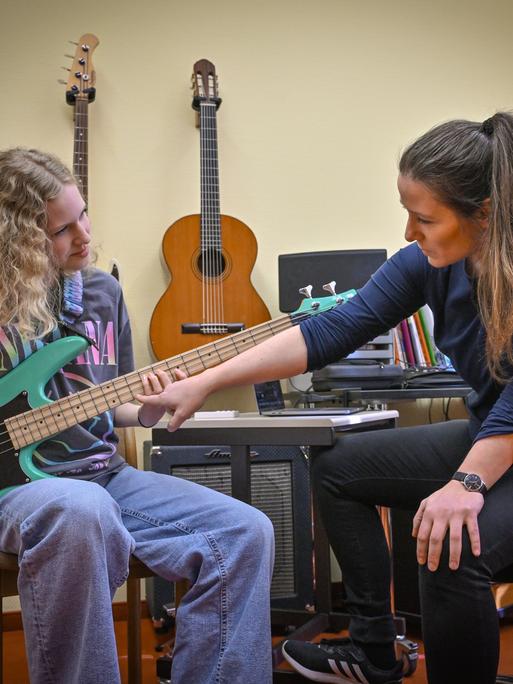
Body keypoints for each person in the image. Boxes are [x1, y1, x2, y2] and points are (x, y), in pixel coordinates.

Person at [139, 111, 513, 684]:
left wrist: (466, 485)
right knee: (339, 467)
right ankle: (373, 651)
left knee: (452, 545)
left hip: (501, 443)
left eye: (424, 219)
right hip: (492, 434)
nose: (409, 233)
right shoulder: (426, 264)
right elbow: (330, 329)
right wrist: (205, 378)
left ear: (483, 215)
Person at [0, 147, 275, 684]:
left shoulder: (102, 293)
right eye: (61, 230)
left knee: (247, 531)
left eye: (83, 215)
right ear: (20, 241)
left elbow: (112, 399)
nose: (83, 236)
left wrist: (147, 408)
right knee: (80, 510)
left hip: (105, 476)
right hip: (19, 488)